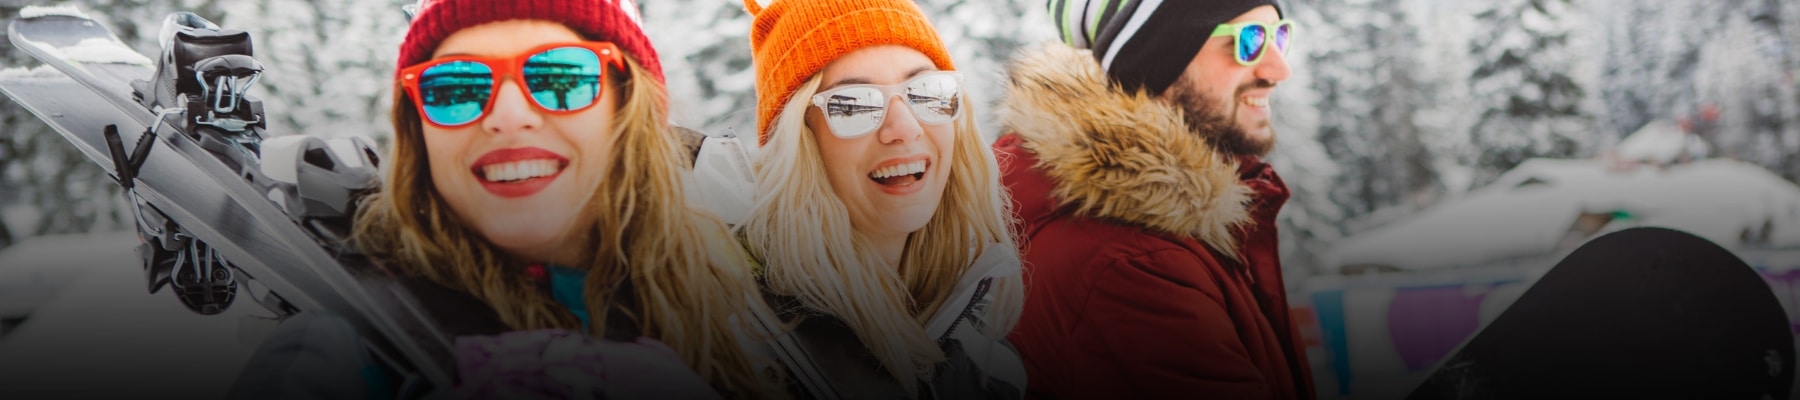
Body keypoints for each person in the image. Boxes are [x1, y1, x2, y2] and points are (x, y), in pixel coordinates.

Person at [229, 0, 776, 398]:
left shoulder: (736, 309)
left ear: (626, 112)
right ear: (420, 135)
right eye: (456, 89)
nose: (510, 116)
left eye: (561, 76)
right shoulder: (347, 345)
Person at [995, 0, 1314, 399]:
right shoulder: (1130, 265)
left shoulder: (1165, 227)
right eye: (1249, 40)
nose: (1278, 69)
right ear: (1156, 59)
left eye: (1279, 36)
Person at [728, 0, 1028, 397]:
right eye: (853, 104)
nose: (903, 128)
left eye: (926, 91)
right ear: (798, 142)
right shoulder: (738, 351)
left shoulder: (981, 349)